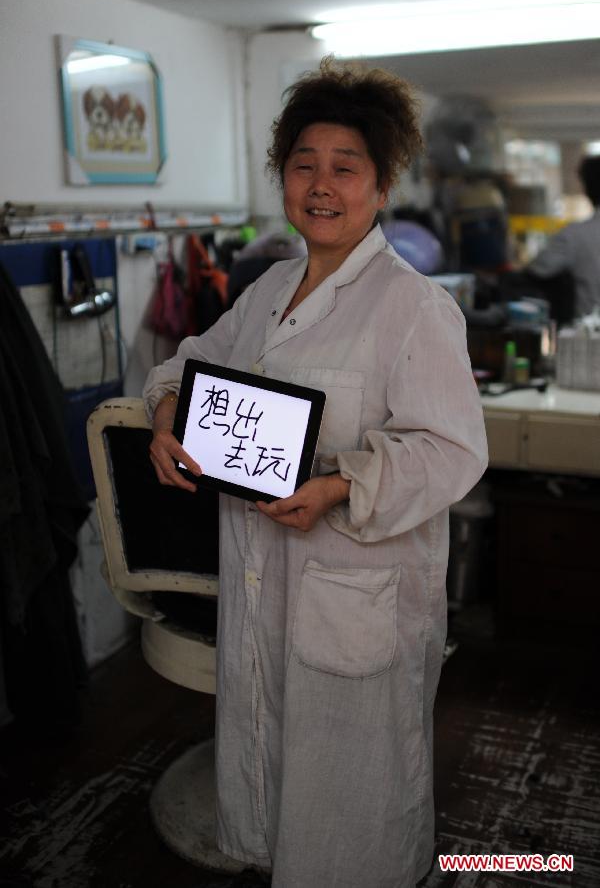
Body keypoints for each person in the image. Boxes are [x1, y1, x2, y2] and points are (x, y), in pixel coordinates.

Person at [143, 58, 488, 887]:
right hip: (261, 578)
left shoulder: (415, 308)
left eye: (346, 167)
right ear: (283, 179)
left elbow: (452, 450)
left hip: (355, 589)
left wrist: (342, 487)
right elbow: (191, 363)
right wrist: (164, 414)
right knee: (271, 788)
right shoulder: (267, 289)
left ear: (381, 184)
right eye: (304, 165)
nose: (321, 185)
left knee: (355, 812)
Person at [528, 155, 600, 318]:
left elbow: (539, 268)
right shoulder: (576, 234)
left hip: (589, 335)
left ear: (587, 188)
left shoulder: (575, 234)